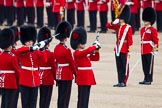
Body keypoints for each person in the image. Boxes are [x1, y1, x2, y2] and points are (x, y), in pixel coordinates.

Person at [70, 27, 101, 108]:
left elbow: (95, 58)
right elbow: (87, 51)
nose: (83, 44)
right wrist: (94, 46)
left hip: (88, 77)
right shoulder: (77, 53)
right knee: (82, 99)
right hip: (83, 78)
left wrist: (97, 49)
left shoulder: (84, 53)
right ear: (77, 43)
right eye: (81, 43)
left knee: (86, 98)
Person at [16, 25, 46, 108]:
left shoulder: (36, 51)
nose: (30, 43)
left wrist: (42, 49)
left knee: (33, 102)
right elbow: (18, 51)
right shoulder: (23, 50)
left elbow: (44, 60)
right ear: (24, 41)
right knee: (25, 102)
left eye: (31, 41)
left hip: (35, 79)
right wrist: (30, 48)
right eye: (28, 42)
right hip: (25, 79)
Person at [106, 5, 133, 87]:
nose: (120, 19)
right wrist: (112, 22)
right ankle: (119, 80)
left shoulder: (128, 27)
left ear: (124, 18)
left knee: (124, 66)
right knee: (119, 66)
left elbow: (130, 40)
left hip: (124, 49)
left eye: (121, 18)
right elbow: (108, 26)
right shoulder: (117, 26)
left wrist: (129, 49)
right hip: (118, 49)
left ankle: (124, 81)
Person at [54, 21, 77, 108]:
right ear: (66, 38)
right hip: (66, 74)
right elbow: (71, 63)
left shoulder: (56, 48)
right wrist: (76, 73)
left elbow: (56, 61)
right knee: (66, 96)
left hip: (59, 74)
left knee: (61, 95)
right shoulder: (66, 50)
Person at [0, 28, 20, 108]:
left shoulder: (1, 55)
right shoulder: (12, 57)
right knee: (10, 102)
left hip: (2, 80)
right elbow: (17, 70)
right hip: (11, 82)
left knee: (4, 100)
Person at [139, 7, 159, 85]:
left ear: (150, 21)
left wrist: (155, 49)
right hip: (143, 49)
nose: (145, 22)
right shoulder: (142, 29)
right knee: (144, 66)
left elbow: (156, 40)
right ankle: (145, 78)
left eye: (146, 20)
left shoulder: (153, 30)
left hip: (149, 49)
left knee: (149, 65)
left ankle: (149, 79)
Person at [37, 26, 56, 108]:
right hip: (48, 78)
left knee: (42, 98)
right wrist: (56, 77)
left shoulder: (37, 52)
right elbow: (53, 67)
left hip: (39, 76)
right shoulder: (50, 54)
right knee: (47, 100)